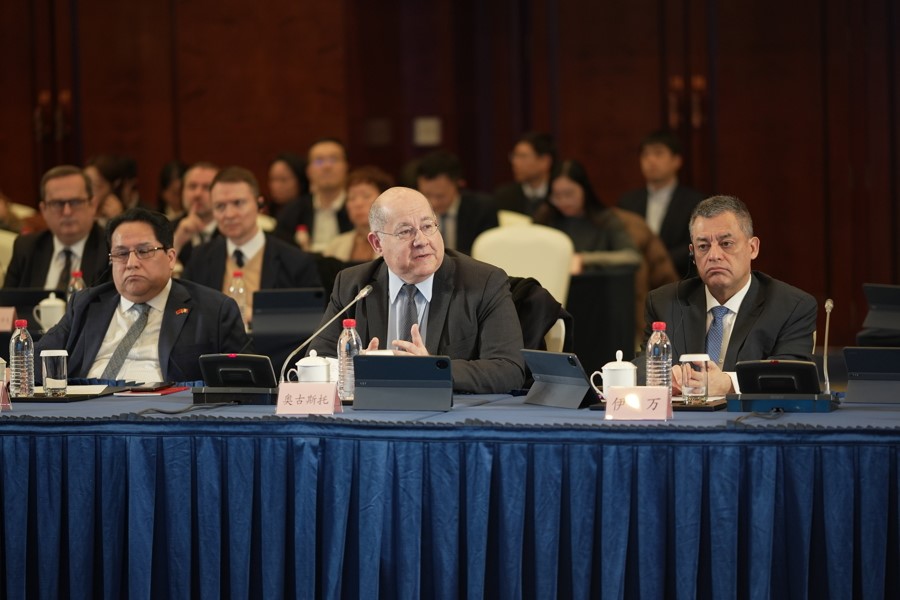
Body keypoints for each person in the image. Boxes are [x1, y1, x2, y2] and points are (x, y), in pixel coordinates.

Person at [308, 187, 525, 394]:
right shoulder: (353, 285)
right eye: (405, 232)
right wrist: (355, 370)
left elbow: (508, 369)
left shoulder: (483, 283)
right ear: (377, 243)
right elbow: (318, 358)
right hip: (372, 413)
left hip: (446, 420)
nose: (422, 241)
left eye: (428, 226)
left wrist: (433, 369)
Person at [36, 208, 249, 383]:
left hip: (165, 420)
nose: (131, 263)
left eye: (144, 251)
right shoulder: (86, 304)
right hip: (87, 415)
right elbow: (33, 363)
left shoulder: (213, 310)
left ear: (171, 258)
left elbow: (245, 383)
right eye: (120, 254)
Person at [641, 195, 817, 395]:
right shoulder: (665, 302)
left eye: (726, 244)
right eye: (703, 246)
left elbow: (791, 375)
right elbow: (641, 369)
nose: (714, 255)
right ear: (692, 253)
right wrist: (663, 375)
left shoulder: (790, 306)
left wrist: (730, 383)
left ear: (753, 248)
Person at [182, 166, 321, 327]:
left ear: (259, 204)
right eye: (220, 206)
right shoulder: (200, 257)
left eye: (238, 203)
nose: (229, 214)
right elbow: (186, 313)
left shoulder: (295, 261)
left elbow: (311, 323)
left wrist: (259, 318)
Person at [4, 165, 110, 289]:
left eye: (75, 202)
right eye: (57, 204)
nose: (67, 212)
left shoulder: (110, 248)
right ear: (43, 210)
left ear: (92, 205)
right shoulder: (26, 248)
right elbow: (6, 304)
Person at [617, 130, 705, 277]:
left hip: (680, 280)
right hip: (635, 280)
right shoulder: (627, 202)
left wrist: (657, 261)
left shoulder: (696, 202)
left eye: (658, 154)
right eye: (645, 155)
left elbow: (697, 244)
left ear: (676, 160)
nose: (651, 160)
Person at [533, 159, 641, 274]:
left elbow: (632, 257)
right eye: (557, 196)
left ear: (584, 190)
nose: (563, 201)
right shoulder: (545, 216)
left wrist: (583, 259)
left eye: (569, 194)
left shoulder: (605, 218)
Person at [274, 138, 352, 252]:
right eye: (319, 161)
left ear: (346, 167)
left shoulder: (359, 210)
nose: (326, 166)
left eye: (333, 159)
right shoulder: (292, 211)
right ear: (309, 171)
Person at [415, 149, 498, 255]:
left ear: (458, 184)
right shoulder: (412, 212)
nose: (433, 203)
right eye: (426, 195)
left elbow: (488, 254)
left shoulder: (482, 209)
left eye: (440, 196)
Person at [323, 166, 394, 263]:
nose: (358, 204)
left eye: (366, 196)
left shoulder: (395, 243)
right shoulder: (335, 246)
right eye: (352, 198)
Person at [493, 131, 556, 217]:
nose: (515, 162)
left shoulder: (559, 196)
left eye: (522, 156)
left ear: (545, 161)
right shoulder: (504, 197)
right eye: (514, 156)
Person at [172, 161, 220, 268]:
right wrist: (177, 241)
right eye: (192, 186)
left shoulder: (230, 230)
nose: (197, 194)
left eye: (207, 187)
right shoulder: (166, 228)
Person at [266, 152, 309, 219]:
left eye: (283, 180)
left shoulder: (309, 212)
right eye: (272, 179)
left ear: (300, 181)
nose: (276, 186)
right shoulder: (267, 212)